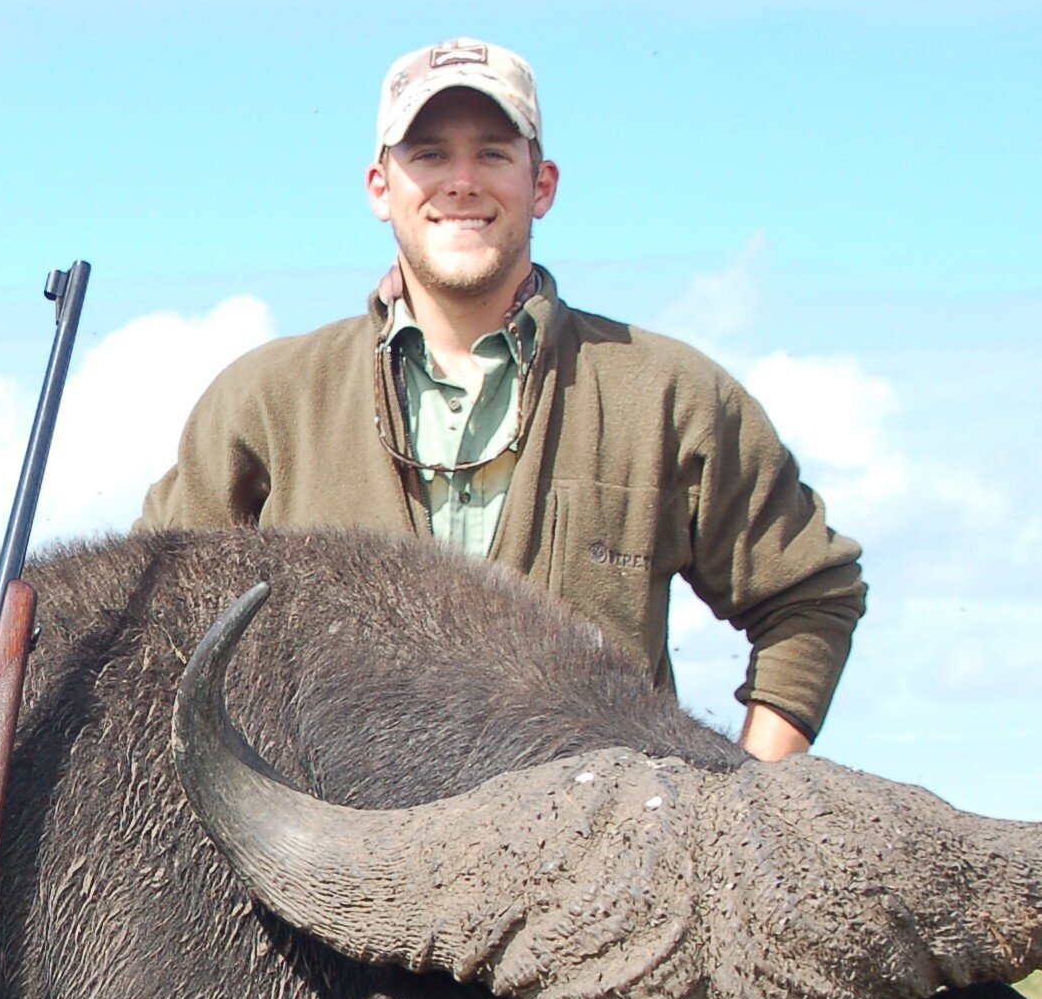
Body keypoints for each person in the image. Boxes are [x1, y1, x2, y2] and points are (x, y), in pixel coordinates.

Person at [138, 40, 865, 759]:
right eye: (428, 155)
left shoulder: (671, 399)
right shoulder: (264, 404)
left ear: (541, 183)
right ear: (379, 187)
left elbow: (810, 599)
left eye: (492, 153)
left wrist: (743, 808)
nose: (461, 182)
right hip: (321, 866)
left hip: (596, 865)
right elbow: (146, 619)